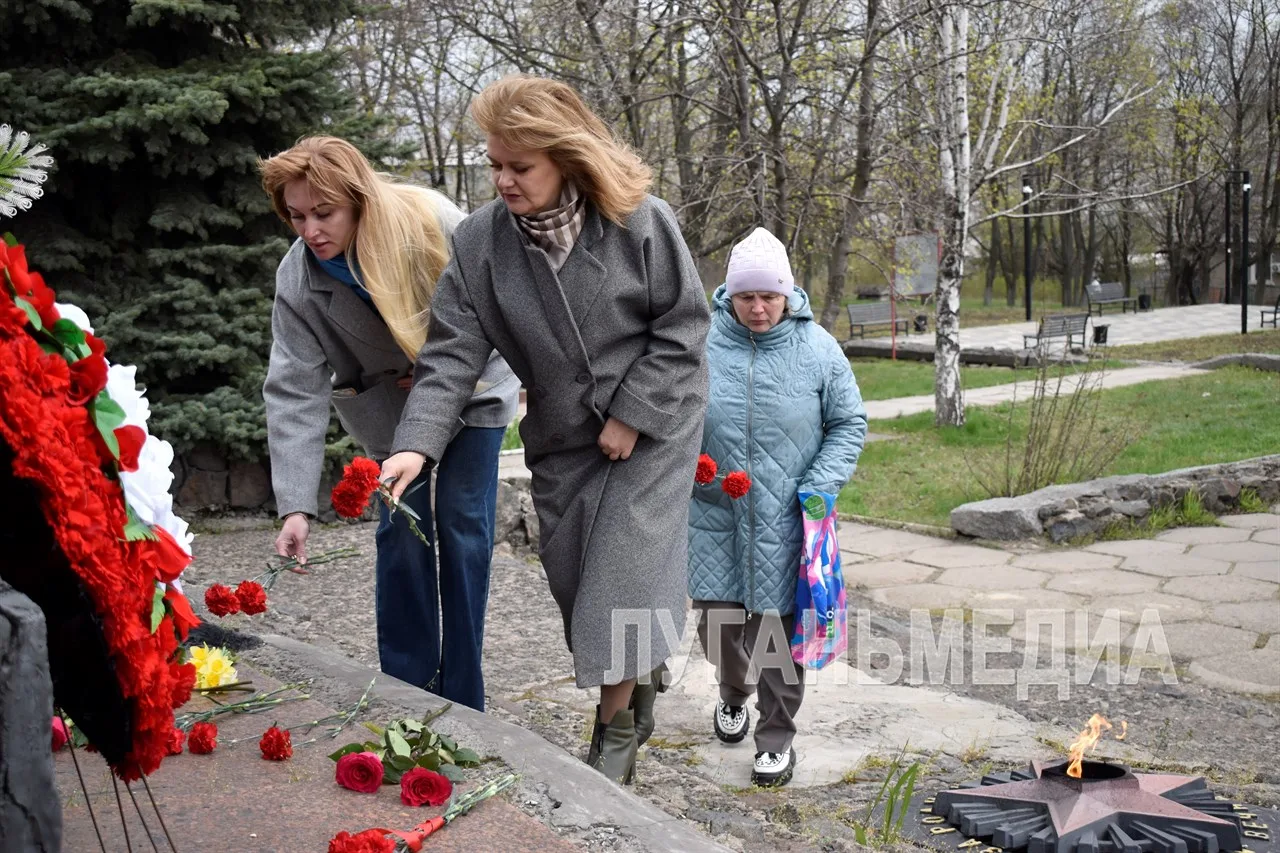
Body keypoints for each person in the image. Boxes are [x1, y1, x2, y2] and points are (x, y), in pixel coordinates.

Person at [379, 75, 710, 784]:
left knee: (614, 589)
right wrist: (414, 444)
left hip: (653, 429)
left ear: (565, 157)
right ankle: (639, 683)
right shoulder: (478, 245)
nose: (501, 179)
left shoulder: (640, 222)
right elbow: (449, 356)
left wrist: (631, 414)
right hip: (563, 439)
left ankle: (609, 748)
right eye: (494, 164)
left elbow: (685, 326)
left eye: (518, 166)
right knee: (577, 589)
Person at [259, 137, 519, 712]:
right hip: (388, 413)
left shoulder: (431, 222)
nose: (310, 230)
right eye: (297, 216)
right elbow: (293, 389)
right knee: (401, 532)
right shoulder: (299, 279)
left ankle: (464, 696)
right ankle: (407, 690)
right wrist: (295, 506)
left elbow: (495, 307)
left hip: (471, 391)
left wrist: (436, 368)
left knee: (461, 529)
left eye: (324, 213)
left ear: (360, 202)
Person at [688, 227, 867, 788]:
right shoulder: (700, 343)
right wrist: (691, 464)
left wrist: (819, 485)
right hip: (711, 511)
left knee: (774, 636)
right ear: (729, 295)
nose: (759, 308)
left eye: (769, 296)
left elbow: (848, 424)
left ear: (788, 294)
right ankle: (732, 691)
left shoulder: (818, 349)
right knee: (719, 630)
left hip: (786, 518)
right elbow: (672, 415)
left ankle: (775, 738)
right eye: (747, 297)